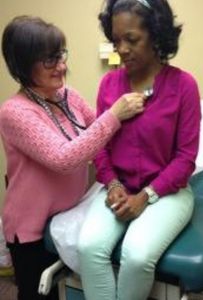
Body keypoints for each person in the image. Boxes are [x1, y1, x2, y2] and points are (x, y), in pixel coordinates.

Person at [0, 15, 146, 300]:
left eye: (61, 55)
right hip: (32, 229)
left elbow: (102, 135)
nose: (62, 66)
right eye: (49, 60)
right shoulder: (14, 112)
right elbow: (64, 158)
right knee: (39, 294)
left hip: (68, 217)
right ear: (23, 64)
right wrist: (114, 114)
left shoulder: (67, 95)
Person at [77, 0, 201, 299]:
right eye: (116, 40)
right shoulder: (109, 85)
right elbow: (100, 147)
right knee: (89, 247)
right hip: (118, 187)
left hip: (167, 192)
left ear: (157, 36)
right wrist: (114, 184)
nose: (121, 48)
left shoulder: (184, 86)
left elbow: (185, 159)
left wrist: (145, 196)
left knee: (136, 255)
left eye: (131, 39)